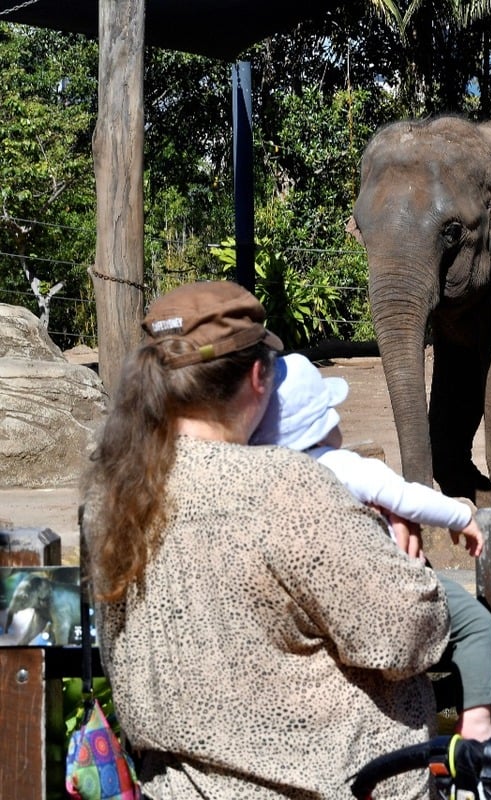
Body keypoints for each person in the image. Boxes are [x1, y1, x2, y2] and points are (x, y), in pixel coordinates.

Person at [82, 281, 449, 800]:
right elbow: (406, 634)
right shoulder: (283, 485)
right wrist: (401, 556)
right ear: (260, 377)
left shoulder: (113, 494)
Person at [251, 352, 491, 741]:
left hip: (318, 609)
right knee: (476, 623)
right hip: (383, 593)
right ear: (325, 422)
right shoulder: (346, 466)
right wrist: (460, 517)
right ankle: (477, 721)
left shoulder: (265, 481)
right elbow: (408, 496)